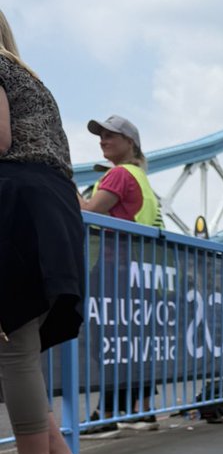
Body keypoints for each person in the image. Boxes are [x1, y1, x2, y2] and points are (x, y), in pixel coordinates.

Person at [0, 9, 90, 454]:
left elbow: (1, 140)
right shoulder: (27, 75)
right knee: (21, 348)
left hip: (16, 204)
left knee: (11, 343)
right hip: (53, 206)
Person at [81, 115, 162, 432]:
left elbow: (88, 212)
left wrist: (64, 184)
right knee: (133, 341)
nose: (103, 140)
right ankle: (140, 409)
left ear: (130, 142)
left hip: (114, 268)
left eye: (110, 135)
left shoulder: (118, 174)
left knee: (108, 341)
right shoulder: (142, 179)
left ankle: (109, 413)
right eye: (100, 135)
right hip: (139, 270)